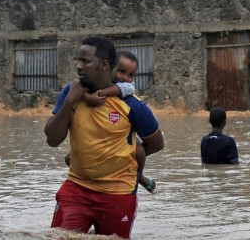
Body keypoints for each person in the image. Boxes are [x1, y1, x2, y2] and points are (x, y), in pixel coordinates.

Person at [44, 36, 164, 238]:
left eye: (85, 61)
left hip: (118, 194)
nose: (78, 66)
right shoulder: (71, 92)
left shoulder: (131, 104)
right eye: (78, 60)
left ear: (104, 65)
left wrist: (121, 157)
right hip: (77, 188)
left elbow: (156, 143)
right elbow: (52, 140)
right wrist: (70, 101)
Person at [64, 50, 158, 194]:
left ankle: (139, 176)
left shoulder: (128, 90)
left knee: (138, 150)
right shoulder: (91, 82)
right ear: (108, 68)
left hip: (119, 144)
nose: (126, 78)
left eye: (131, 75)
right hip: (90, 142)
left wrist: (101, 95)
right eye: (121, 71)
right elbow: (79, 87)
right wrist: (88, 98)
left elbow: (157, 144)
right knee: (69, 158)